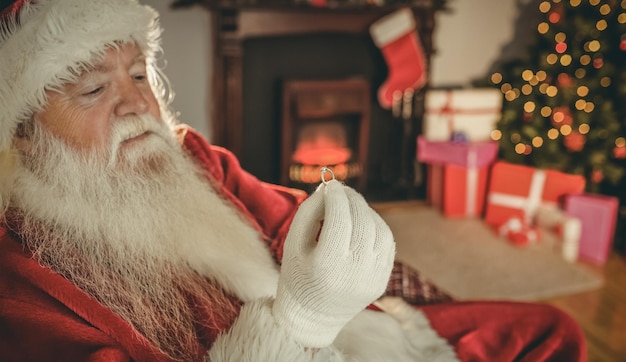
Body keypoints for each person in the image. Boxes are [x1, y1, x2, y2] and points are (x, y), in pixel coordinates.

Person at [0, 1, 587, 361]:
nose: (137, 105)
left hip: (357, 339)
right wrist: (298, 322)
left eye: (137, 75)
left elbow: (284, 216)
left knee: (550, 329)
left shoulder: (196, 157)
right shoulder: (25, 277)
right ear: (25, 130)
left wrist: (337, 228)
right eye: (94, 89)